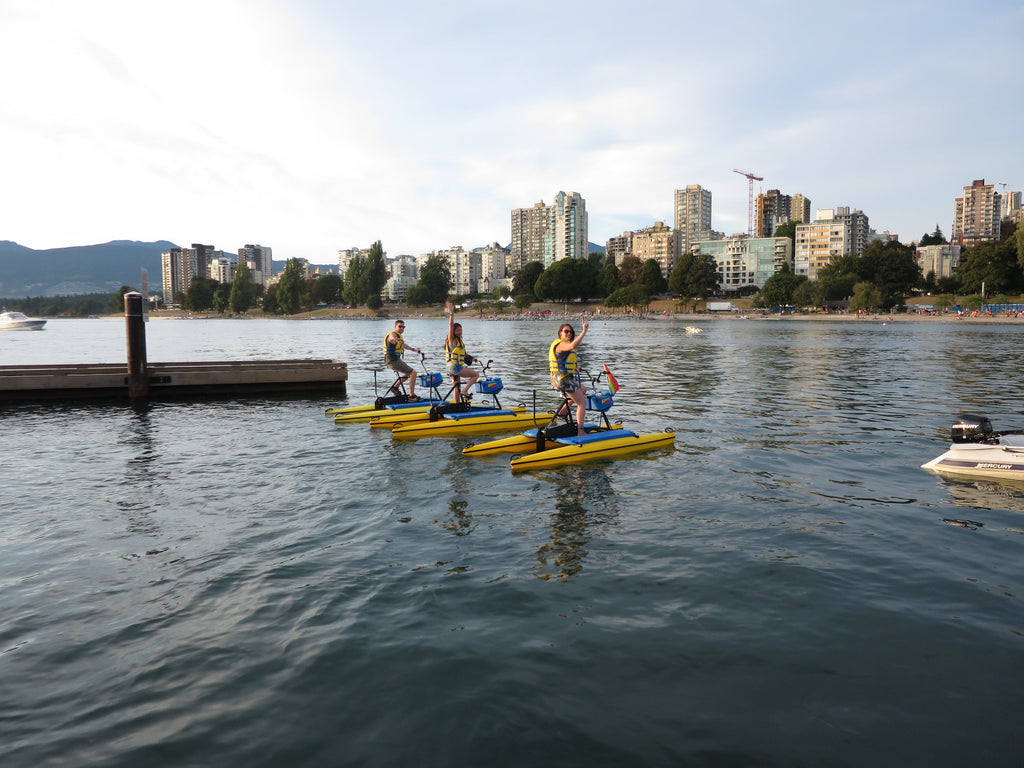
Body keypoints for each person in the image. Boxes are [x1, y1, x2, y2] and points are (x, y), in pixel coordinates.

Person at [549, 318, 589, 436]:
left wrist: (575, 368)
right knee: (582, 403)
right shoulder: (561, 344)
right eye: (566, 331)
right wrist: (584, 331)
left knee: (582, 389)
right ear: (560, 333)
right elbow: (572, 346)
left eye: (570, 332)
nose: (569, 333)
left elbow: (561, 362)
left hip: (562, 378)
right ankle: (580, 431)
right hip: (563, 380)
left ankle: (563, 411)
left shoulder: (562, 345)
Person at [444, 302, 480, 401]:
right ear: (454, 332)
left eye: (461, 330)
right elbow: (451, 326)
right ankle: (465, 391)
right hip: (455, 368)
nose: (459, 332)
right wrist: (451, 313)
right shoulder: (452, 340)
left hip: (451, 367)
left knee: (456, 388)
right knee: (476, 375)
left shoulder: (459, 341)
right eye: (457, 330)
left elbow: (463, 353)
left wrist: (472, 358)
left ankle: (457, 406)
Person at [383, 319, 421, 399]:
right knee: (413, 373)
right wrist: (394, 339)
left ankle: (395, 387)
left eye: (403, 327)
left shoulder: (399, 336)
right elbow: (392, 338)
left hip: (395, 360)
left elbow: (403, 345)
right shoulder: (393, 334)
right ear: (395, 327)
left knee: (408, 373)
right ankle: (411, 395)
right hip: (392, 361)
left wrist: (414, 350)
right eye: (400, 326)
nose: (402, 328)